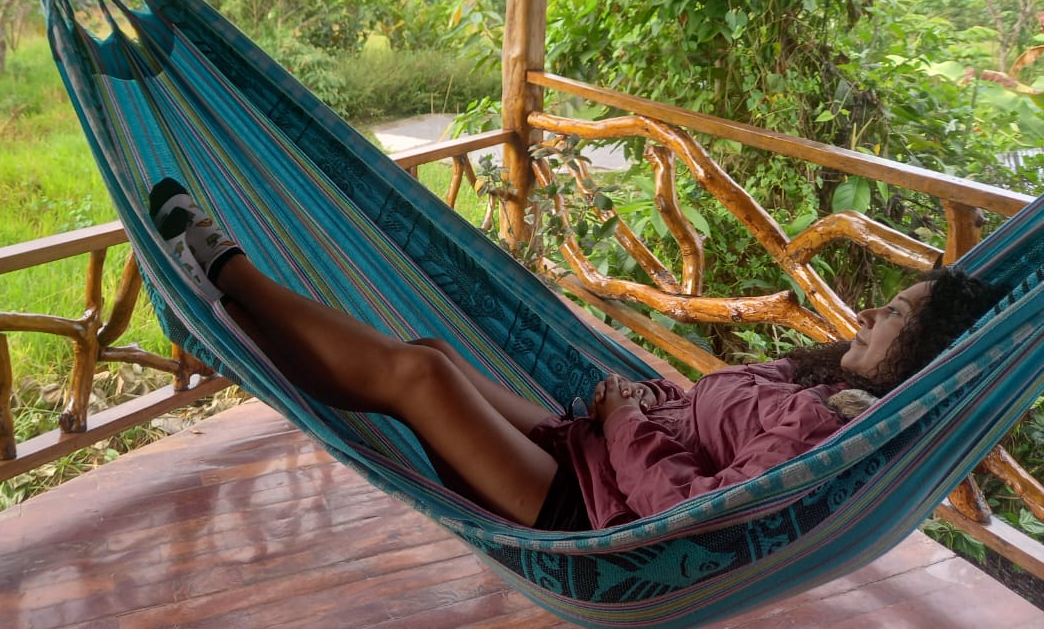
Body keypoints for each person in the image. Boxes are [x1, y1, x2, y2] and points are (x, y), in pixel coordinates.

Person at [148, 178, 1000, 532]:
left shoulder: (820, 427)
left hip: (591, 520)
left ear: (911, 359)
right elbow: (704, 417)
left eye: (894, 317)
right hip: (591, 452)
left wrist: (627, 418)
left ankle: (227, 270)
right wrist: (638, 405)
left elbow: (689, 510)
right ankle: (245, 330)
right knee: (432, 348)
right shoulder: (813, 375)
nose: (871, 315)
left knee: (420, 376)